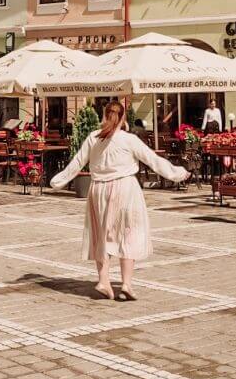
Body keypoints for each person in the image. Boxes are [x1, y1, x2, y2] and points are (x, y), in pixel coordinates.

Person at [50, 101, 189, 302]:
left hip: (98, 189)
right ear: (123, 117)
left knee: (101, 234)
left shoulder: (93, 138)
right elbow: (153, 160)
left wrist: (57, 182)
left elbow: (76, 164)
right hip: (125, 188)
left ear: (104, 116)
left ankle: (104, 282)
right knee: (128, 233)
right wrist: (179, 173)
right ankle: (126, 284)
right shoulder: (129, 139)